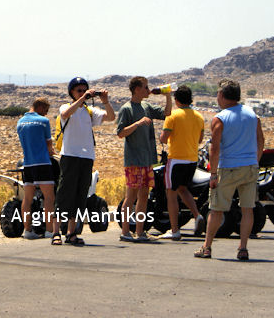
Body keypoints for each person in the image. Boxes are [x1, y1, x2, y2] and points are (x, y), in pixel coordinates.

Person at [194, 79, 264, 260]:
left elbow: (215, 148)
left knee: (217, 209)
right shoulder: (252, 115)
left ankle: (207, 247)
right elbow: (260, 140)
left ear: (223, 95)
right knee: (247, 209)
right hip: (250, 167)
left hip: (228, 168)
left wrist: (213, 174)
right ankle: (243, 248)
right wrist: (255, 161)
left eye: (218, 93)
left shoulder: (220, 118)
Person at [56, 77, 115, 246]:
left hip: (87, 156)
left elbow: (110, 117)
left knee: (80, 195)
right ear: (72, 93)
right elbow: (65, 114)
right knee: (64, 194)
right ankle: (56, 231)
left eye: (84, 90)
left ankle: (71, 232)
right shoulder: (66, 107)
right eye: (78, 90)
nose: (82, 93)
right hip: (70, 155)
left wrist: (105, 101)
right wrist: (83, 99)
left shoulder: (90, 111)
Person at [116, 76, 172, 242]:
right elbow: (120, 133)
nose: (148, 90)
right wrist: (138, 123)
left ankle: (140, 232)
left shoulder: (147, 106)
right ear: (137, 89)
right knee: (131, 196)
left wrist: (168, 95)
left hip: (147, 160)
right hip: (134, 160)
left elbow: (167, 113)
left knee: (144, 195)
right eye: (146, 87)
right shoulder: (127, 109)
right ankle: (125, 232)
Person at [159, 85, 205, 240]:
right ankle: (197, 215)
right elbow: (200, 139)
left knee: (171, 193)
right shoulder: (199, 116)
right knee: (183, 189)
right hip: (192, 160)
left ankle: (174, 230)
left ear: (176, 100)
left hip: (176, 159)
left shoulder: (172, 115)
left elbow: (164, 139)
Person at [17, 98, 61, 244]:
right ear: (41, 107)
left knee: (27, 199)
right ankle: (49, 231)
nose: (46, 114)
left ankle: (27, 230)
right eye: (46, 111)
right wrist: (52, 152)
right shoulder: (43, 122)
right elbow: (49, 144)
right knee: (49, 197)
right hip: (42, 163)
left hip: (27, 164)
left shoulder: (20, 122)